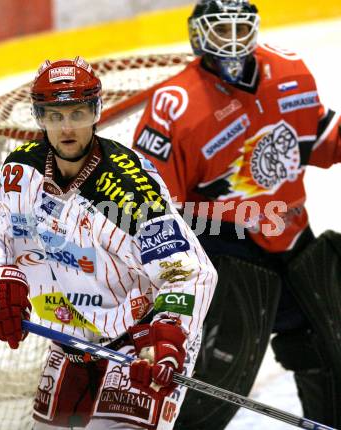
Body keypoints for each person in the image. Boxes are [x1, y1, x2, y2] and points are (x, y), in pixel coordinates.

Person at [0, 56, 217, 430]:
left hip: (140, 341)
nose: (67, 128)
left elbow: (190, 272)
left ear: (96, 112)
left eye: (78, 113)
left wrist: (168, 332)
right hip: (68, 341)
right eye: (55, 115)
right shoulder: (20, 172)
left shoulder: (128, 191)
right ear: (39, 117)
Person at [132, 1, 341, 428]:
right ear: (197, 34)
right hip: (224, 247)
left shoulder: (290, 72)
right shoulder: (174, 106)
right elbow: (150, 204)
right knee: (218, 374)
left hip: (292, 234)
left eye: (238, 28)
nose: (230, 39)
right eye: (219, 28)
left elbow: (318, 139)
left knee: (326, 348)